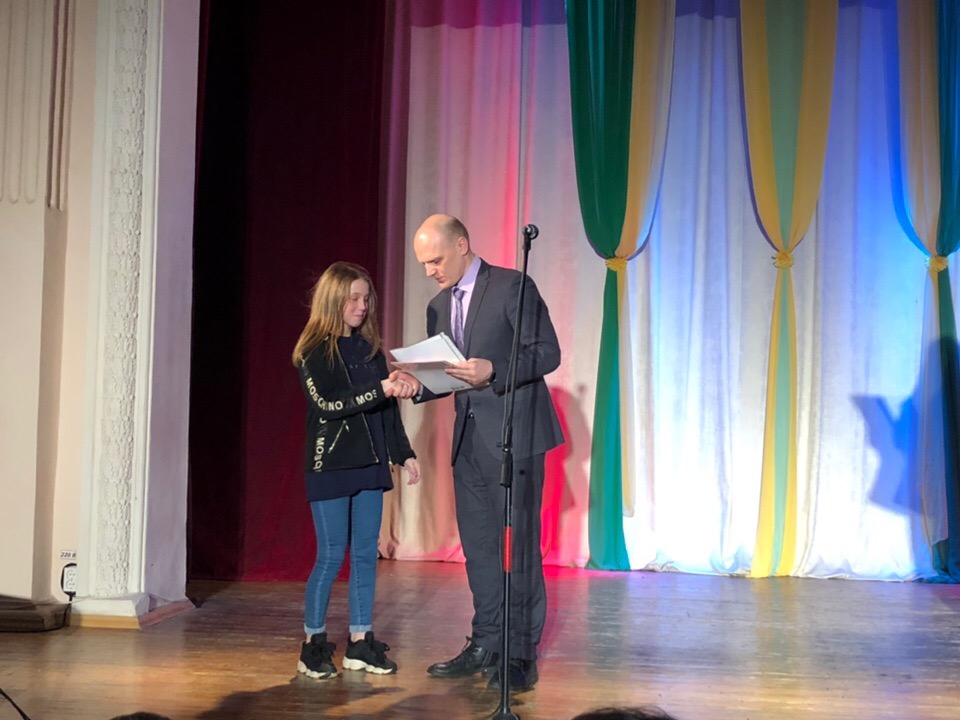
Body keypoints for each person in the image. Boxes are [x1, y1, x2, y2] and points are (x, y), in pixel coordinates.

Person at [391, 214, 563, 692]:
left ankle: (519, 652)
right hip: (467, 441)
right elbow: (446, 375)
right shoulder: (437, 305)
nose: (430, 271)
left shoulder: (511, 286)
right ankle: (486, 641)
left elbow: (547, 352)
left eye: (436, 260)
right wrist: (417, 386)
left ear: (462, 244)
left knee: (517, 545)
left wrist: (495, 369)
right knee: (480, 548)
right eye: (424, 264)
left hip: (515, 436)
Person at [291, 261, 421, 679]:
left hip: (370, 465)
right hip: (330, 464)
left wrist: (403, 453)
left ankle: (360, 642)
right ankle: (313, 644)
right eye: (353, 298)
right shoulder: (313, 352)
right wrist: (380, 388)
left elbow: (387, 411)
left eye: (366, 298)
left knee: (366, 554)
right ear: (333, 300)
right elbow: (329, 405)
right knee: (331, 555)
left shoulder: (370, 351)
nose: (362, 306)